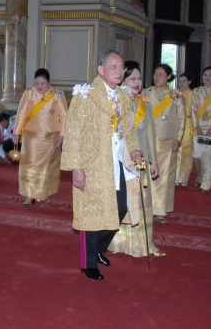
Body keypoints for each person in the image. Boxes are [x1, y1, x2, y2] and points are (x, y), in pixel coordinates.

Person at [61, 50, 141, 280]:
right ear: (101, 69)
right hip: (91, 164)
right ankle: (88, 264)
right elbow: (73, 132)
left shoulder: (125, 97)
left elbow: (130, 130)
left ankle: (98, 249)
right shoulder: (85, 96)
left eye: (121, 67)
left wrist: (134, 149)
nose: (119, 71)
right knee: (90, 214)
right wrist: (76, 166)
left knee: (120, 208)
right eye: (113, 67)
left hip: (115, 163)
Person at [108, 61, 165, 258]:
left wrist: (154, 161)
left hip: (140, 160)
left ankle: (143, 244)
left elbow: (150, 135)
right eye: (132, 78)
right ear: (122, 79)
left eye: (139, 78)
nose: (137, 82)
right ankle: (117, 243)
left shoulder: (144, 102)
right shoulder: (114, 101)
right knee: (122, 201)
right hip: (120, 160)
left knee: (142, 201)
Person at [12, 68, 68, 205]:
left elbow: (65, 115)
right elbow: (21, 113)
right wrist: (16, 133)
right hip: (31, 137)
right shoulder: (29, 94)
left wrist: (62, 134)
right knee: (30, 165)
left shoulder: (58, 94)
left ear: (49, 83)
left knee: (46, 167)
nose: (39, 86)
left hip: (51, 138)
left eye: (42, 83)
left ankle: (44, 193)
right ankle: (29, 195)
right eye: (37, 83)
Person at [143, 64, 185, 222]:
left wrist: (178, 138)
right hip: (149, 140)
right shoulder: (146, 92)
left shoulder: (176, 95)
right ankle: (147, 206)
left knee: (165, 175)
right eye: (155, 73)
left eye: (160, 74)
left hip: (167, 141)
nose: (157, 76)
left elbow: (181, 118)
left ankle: (161, 209)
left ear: (168, 76)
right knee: (148, 174)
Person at [191, 66, 211, 194]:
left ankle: (206, 184)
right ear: (202, 77)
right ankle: (200, 175)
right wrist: (197, 126)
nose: (208, 77)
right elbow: (193, 109)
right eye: (206, 75)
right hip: (199, 126)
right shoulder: (196, 91)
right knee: (199, 155)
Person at [176, 72, 194, 187]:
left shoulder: (193, 94)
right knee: (177, 150)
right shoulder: (175, 94)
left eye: (184, 81)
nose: (182, 84)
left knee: (186, 151)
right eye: (180, 81)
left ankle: (184, 177)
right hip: (176, 125)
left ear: (189, 82)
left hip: (188, 124)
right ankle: (176, 177)